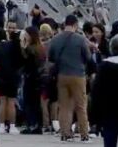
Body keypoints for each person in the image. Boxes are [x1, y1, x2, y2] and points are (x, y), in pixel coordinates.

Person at [48, 14, 92, 142]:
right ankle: (84, 135)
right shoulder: (80, 39)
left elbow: (51, 57)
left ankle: (65, 134)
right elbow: (88, 57)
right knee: (80, 106)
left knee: (64, 106)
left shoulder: (55, 39)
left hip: (62, 75)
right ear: (75, 25)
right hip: (78, 75)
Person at [0, 23, 25, 134]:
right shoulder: (15, 46)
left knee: (2, 101)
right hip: (13, 77)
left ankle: (1, 125)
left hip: (0, 77)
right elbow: (20, 61)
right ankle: (13, 126)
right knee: (11, 102)